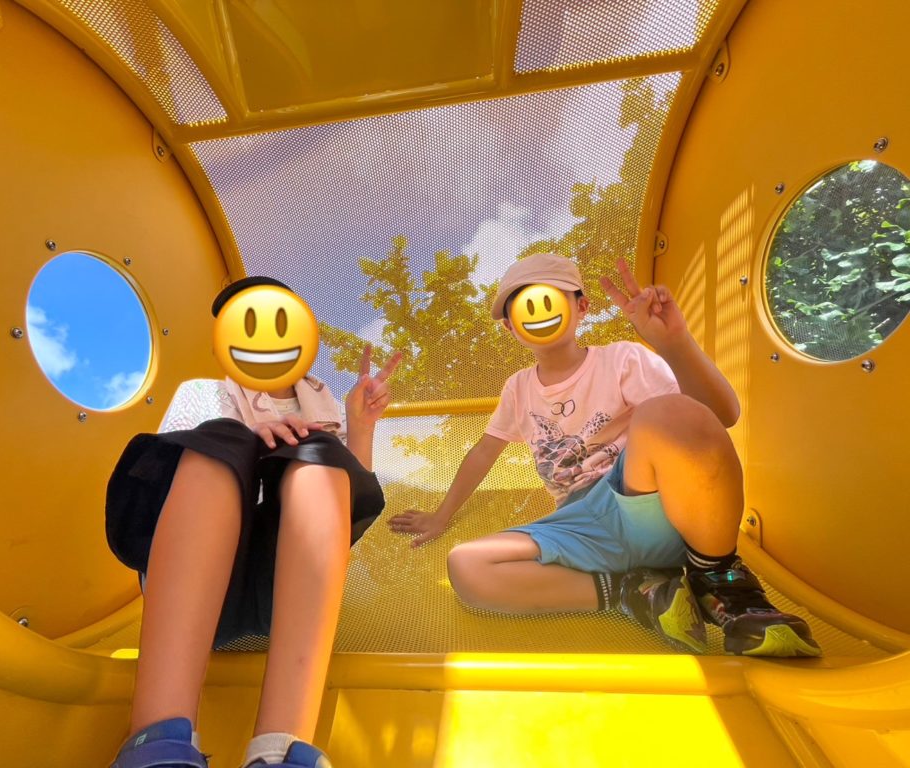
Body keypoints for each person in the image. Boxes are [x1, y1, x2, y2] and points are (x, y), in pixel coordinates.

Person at [389, 253, 820, 658]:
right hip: (580, 525)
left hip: (641, 500)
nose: (537, 312)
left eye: (549, 296)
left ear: (581, 307)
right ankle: (634, 592)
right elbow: (484, 451)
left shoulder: (622, 359)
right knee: (467, 566)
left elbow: (716, 417)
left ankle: (719, 577)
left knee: (668, 411)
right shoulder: (518, 388)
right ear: (510, 326)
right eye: (521, 306)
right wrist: (441, 516)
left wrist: (673, 344)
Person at [105, 276, 401, 768]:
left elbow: (343, 515)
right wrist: (256, 436)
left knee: (319, 454)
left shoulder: (322, 409)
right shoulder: (205, 393)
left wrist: (360, 426)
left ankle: (281, 749)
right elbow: (181, 483)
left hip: (286, 594)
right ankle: (157, 739)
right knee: (221, 439)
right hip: (195, 590)